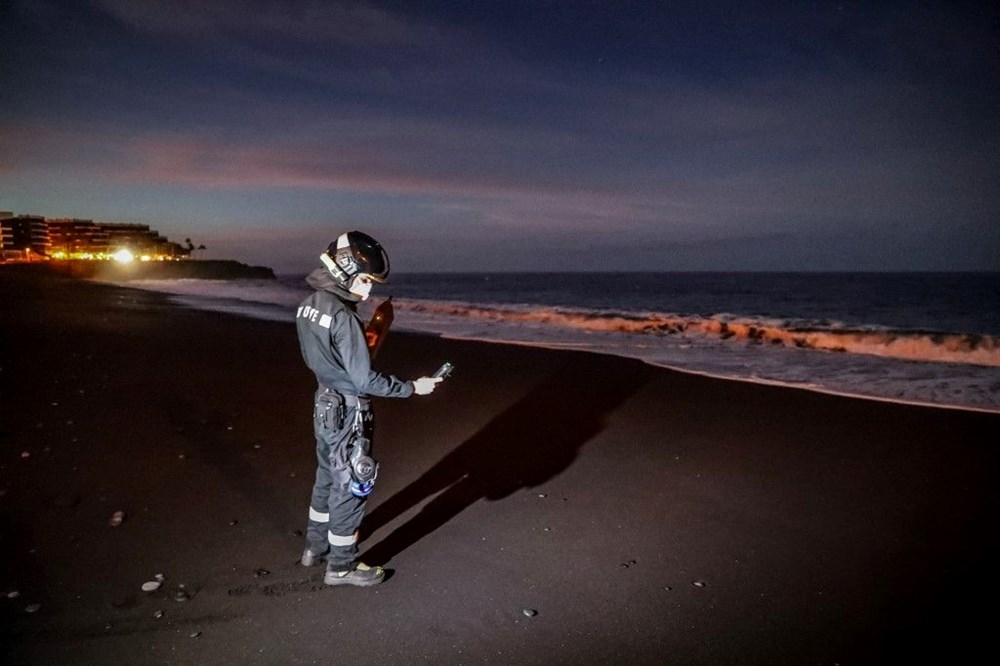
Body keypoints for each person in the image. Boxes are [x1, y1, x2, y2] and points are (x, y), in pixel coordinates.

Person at [295, 230, 441, 587]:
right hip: (348, 412)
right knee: (353, 484)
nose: (368, 289)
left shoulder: (310, 305)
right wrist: (412, 388)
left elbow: (326, 355)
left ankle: (314, 548)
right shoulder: (345, 319)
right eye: (364, 279)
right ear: (344, 270)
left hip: (323, 403)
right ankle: (341, 566)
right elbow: (364, 380)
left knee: (327, 476)